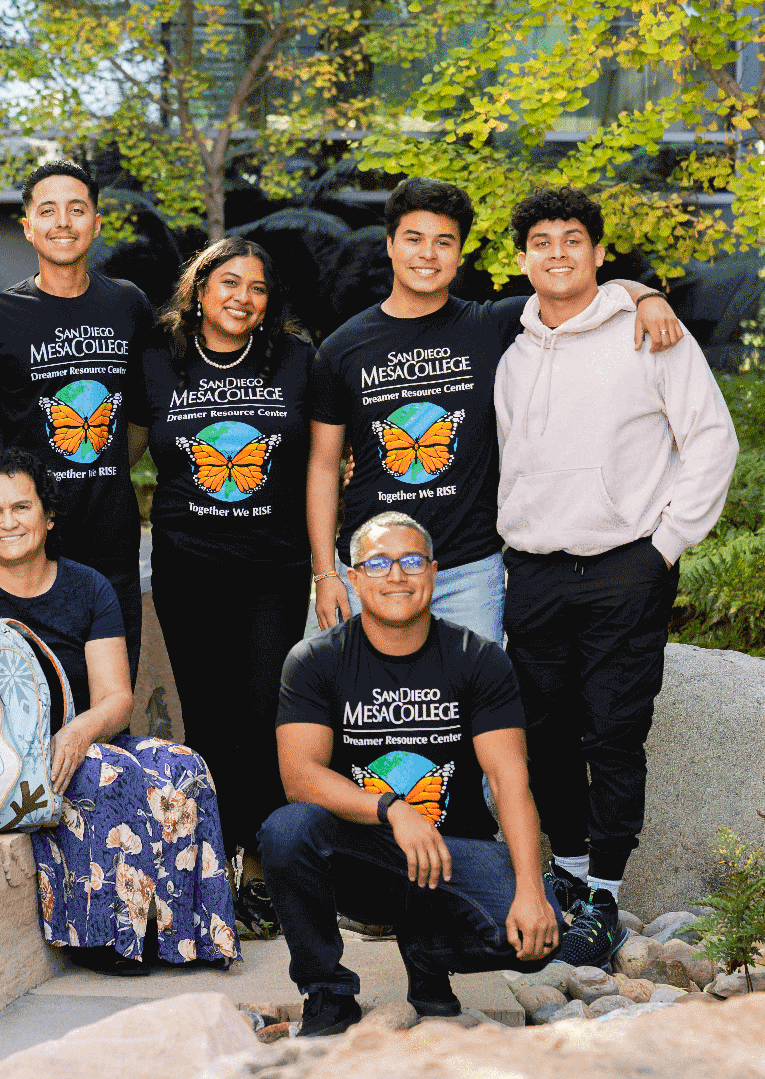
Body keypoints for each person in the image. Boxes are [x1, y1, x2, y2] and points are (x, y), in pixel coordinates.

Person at [0, 450, 240, 975]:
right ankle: (100, 937)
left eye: (21, 507)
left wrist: (79, 729)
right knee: (101, 774)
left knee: (184, 765)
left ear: (47, 515)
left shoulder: (87, 587)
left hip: (78, 739)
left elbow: (116, 697)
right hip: (1, 763)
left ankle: (183, 934)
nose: (8, 522)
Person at [495, 188, 738, 964]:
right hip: (533, 571)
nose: (558, 251)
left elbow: (711, 441)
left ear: (600, 254)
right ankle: (563, 876)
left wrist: (662, 547)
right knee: (548, 734)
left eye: (574, 238)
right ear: (522, 258)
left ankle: (603, 891)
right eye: (542, 240)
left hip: (623, 569)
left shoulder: (651, 334)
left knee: (614, 731)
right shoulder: (513, 344)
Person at [306, 177, 684, 645]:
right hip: (368, 568)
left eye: (444, 242)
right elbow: (324, 466)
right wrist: (326, 576)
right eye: (414, 239)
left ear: (460, 253)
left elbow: (571, 287)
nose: (428, 254)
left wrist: (646, 295)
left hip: (469, 571)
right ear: (390, 245)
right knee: (358, 710)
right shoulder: (342, 348)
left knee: (467, 710)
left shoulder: (494, 325)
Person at [260, 512, 560, 1036]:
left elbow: (511, 780)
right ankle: (326, 992)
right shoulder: (315, 661)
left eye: (411, 560)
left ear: (434, 572)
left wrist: (531, 889)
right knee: (286, 831)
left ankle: (427, 954)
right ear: (353, 579)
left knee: (535, 939)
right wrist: (392, 809)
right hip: (361, 855)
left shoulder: (479, 659)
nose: (396, 575)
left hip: (450, 854)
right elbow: (300, 777)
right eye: (377, 563)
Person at [132, 238, 313, 932]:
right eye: (229, 282)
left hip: (273, 568)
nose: (243, 296)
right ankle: (216, 863)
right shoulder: (158, 360)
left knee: (267, 711)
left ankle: (264, 868)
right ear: (199, 289)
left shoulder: (298, 361)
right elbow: (123, 451)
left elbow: (328, 450)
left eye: (258, 287)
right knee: (207, 717)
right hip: (189, 565)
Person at [0, 160, 154, 671]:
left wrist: (102, 471)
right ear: (28, 226)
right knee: (24, 701)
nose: (63, 222)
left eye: (76, 209)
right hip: (26, 546)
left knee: (110, 699)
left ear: (96, 222)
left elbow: (142, 419)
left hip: (112, 540)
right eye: (48, 210)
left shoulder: (128, 305)